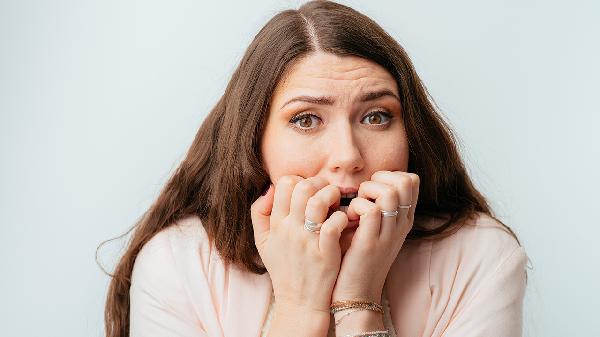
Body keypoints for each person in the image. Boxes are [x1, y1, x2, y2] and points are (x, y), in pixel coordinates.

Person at [102, 1, 529, 336]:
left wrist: (360, 305)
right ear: (254, 140)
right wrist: (299, 308)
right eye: (306, 120)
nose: (348, 155)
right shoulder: (178, 264)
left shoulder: (481, 257)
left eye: (376, 116)